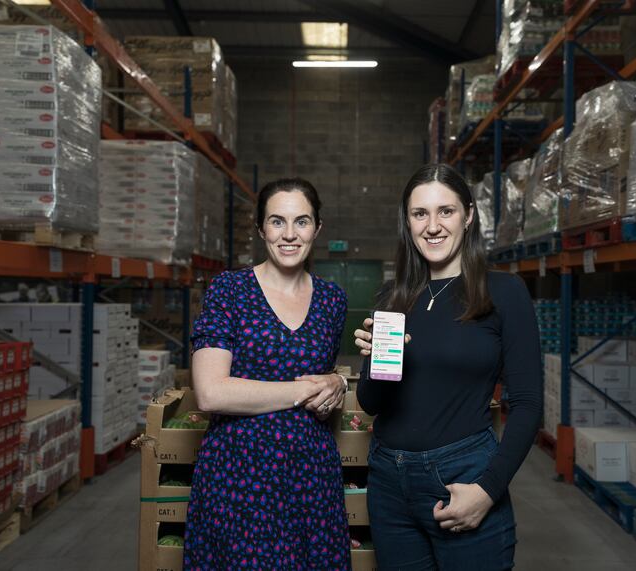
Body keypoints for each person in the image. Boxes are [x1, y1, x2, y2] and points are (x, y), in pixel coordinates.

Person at [354, 163, 543, 570]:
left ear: (469, 215)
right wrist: (374, 364)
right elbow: (371, 402)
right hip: (388, 480)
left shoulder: (504, 293)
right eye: (420, 213)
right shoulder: (392, 297)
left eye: (446, 211)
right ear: (407, 221)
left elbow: (527, 403)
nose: (433, 226)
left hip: (463, 475)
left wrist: (488, 490)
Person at [185, 177, 352, 570]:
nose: (289, 234)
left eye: (302, 222)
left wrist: (336, 383)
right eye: (277, 221)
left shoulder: (333, 300)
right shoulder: (229, 290)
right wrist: (301, 392)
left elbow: (324, 384)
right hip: (240, 475)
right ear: (261, 228)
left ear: (318, 228)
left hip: (312, 476)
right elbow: (211, 392)